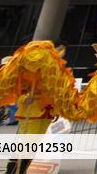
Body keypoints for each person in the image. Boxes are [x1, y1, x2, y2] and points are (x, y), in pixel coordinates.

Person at [7, 44, 66, 174]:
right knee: (25, 143)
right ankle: (11, 171)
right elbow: (19, 88)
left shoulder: (58, 70)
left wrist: (56, 109)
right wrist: (24, 99)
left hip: (46, 112)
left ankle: (22, 171)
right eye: (58, 50)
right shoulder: (32, 67)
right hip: (31, 110)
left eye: (62, 51)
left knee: (34, 145)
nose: (60, 53)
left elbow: (56, 92)